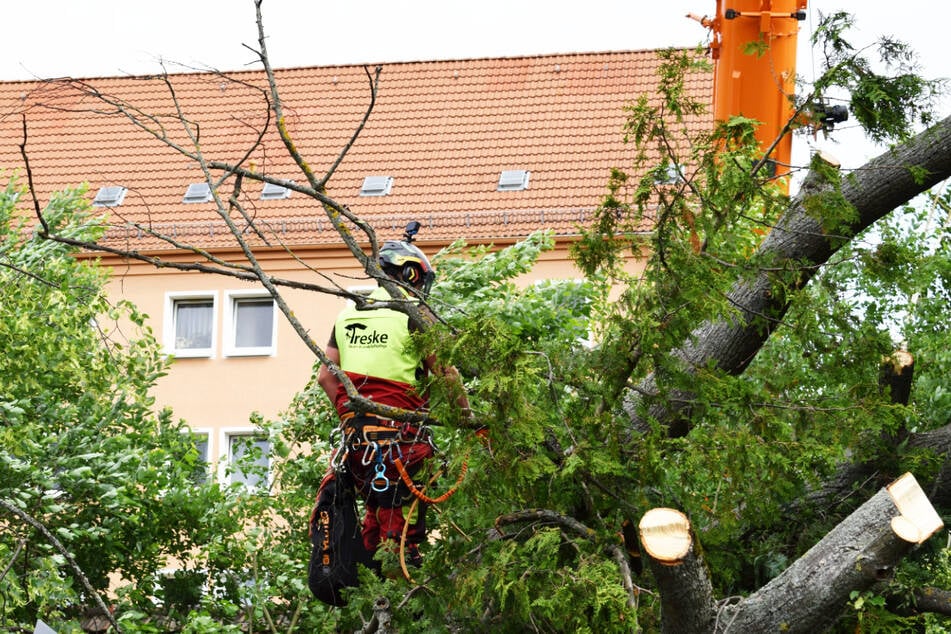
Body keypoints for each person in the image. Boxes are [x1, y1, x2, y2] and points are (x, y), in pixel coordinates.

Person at [316, 229, 470, 568]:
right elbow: (446, 374)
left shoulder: (348, 315)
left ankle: (377, 577)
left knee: (377, 512)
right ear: (410, 273)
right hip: (403, 445)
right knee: (403, 530)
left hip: (358, 448)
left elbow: (327, 377)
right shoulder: (412, 315)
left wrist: (350, 418)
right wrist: (468, 419)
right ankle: (403, 573)